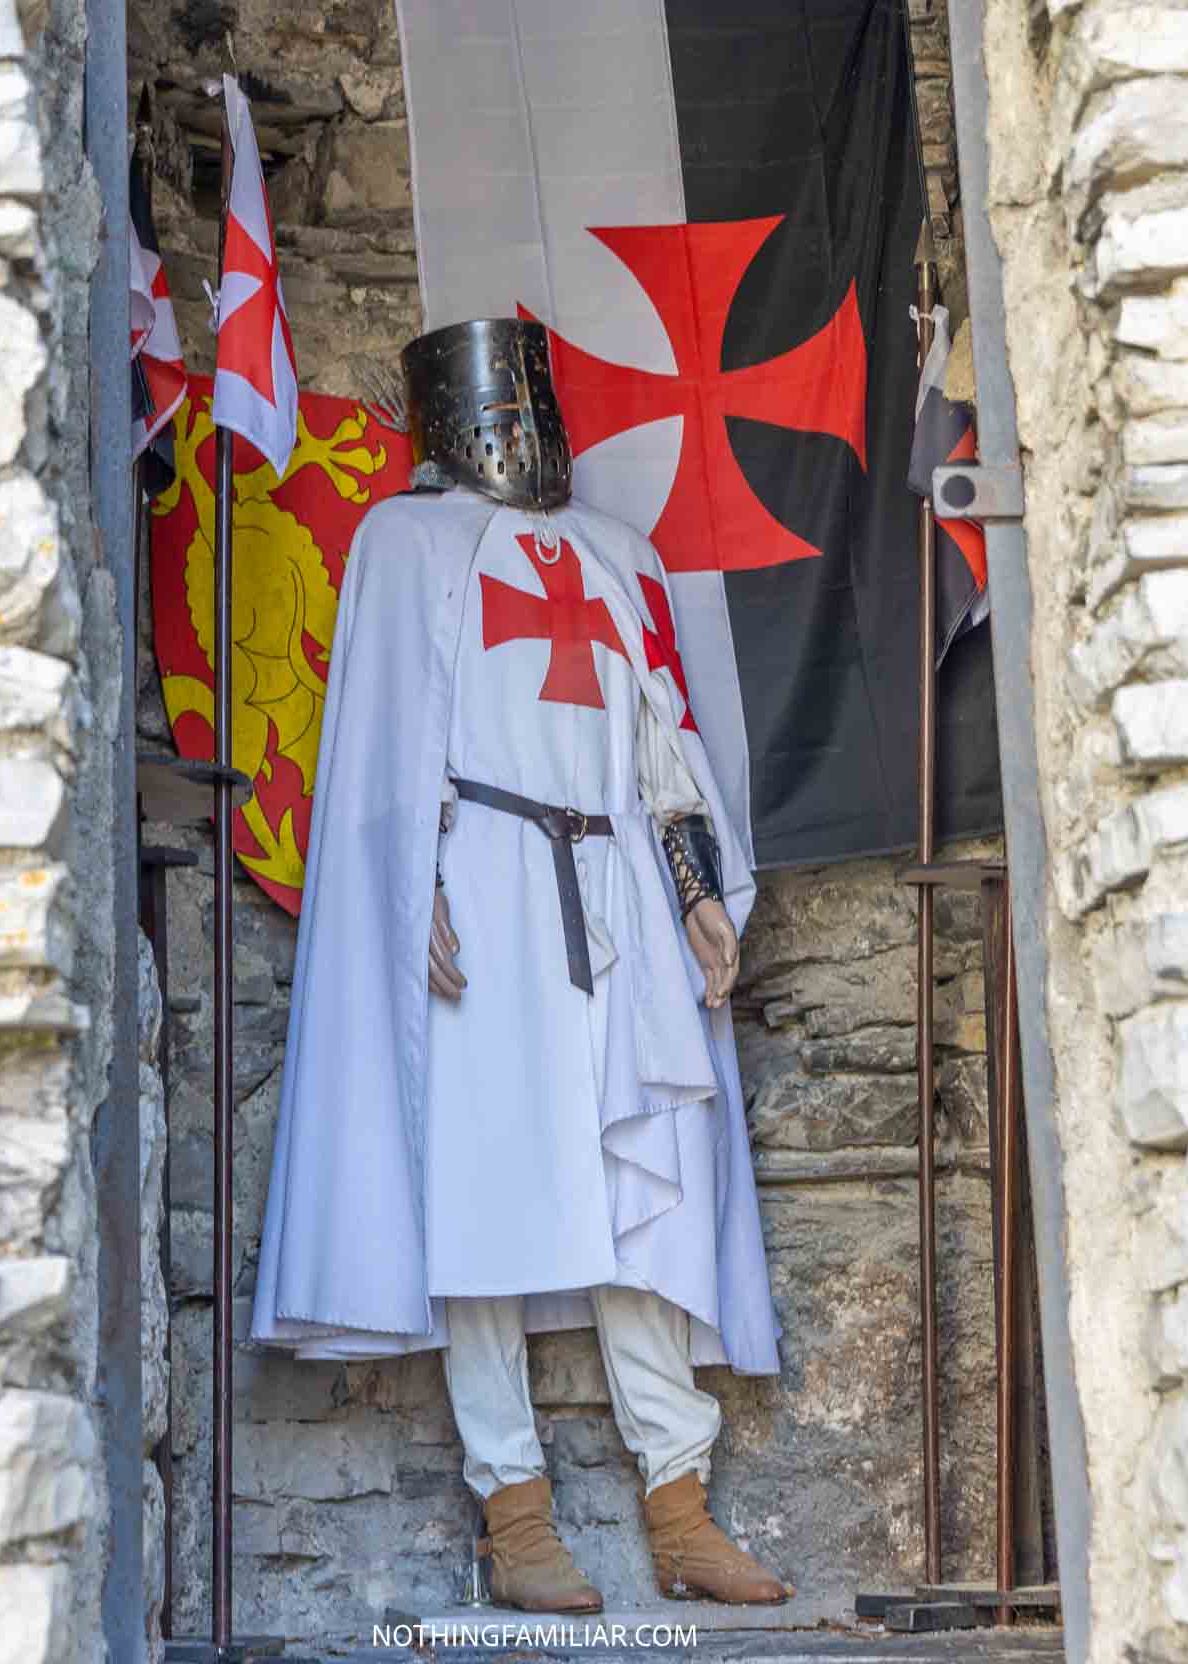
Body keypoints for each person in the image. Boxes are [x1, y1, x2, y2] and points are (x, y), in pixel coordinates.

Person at [252, 319, 788, 1612]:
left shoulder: (613, 551)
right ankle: (516, 1513)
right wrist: (405, 889)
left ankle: (678, 1505)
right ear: (454, 418)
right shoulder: (403, 543)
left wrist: (694, 889)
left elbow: (657, 726)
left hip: (615, 892)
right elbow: (380, 744)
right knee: (481, 1194)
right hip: (481, 884)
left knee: (642, 1184)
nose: (521, 430)